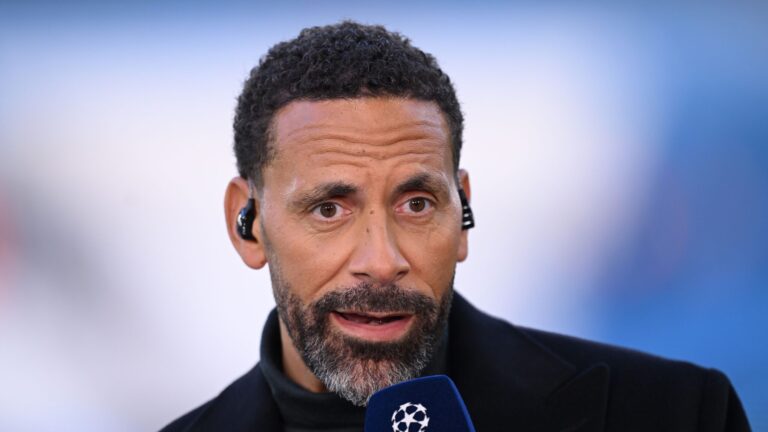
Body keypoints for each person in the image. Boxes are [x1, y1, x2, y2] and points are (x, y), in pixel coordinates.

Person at [161, 21, 750, 431]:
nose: (382, 260)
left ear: (462, 213)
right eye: (329, 209)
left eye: (416, 204)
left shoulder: (676, 413)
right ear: (247, 225)